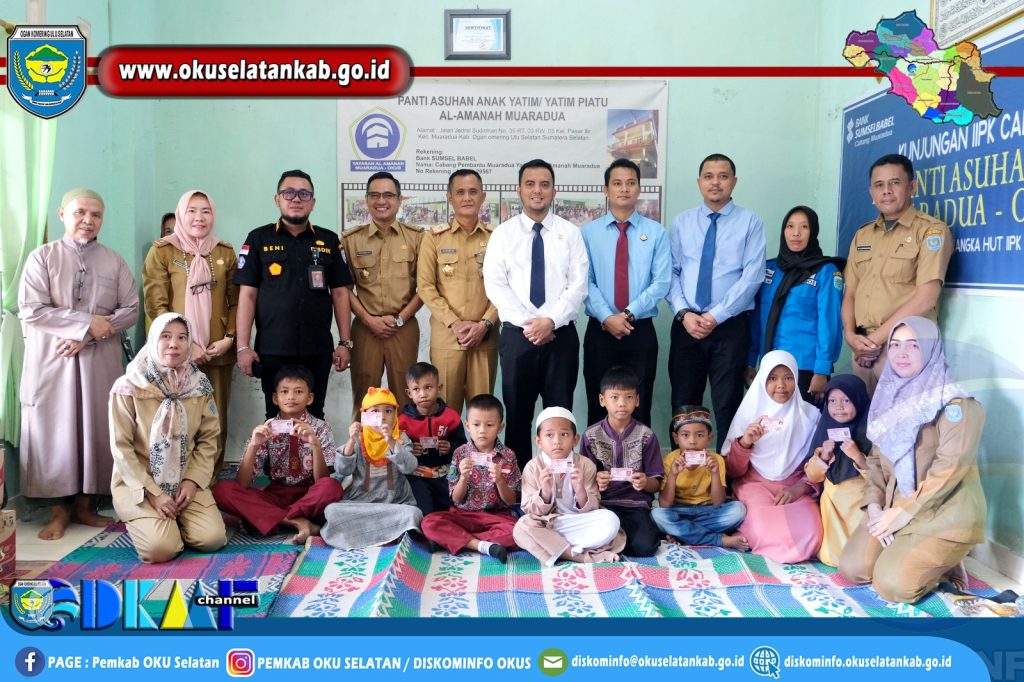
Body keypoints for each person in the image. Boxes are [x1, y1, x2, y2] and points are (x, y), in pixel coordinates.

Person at [18, 188, 140, 541]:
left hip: (97, 357)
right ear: (62, 214)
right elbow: (32, 310)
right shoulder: (42, 258)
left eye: (96, 214)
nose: (88, 220)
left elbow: (131, 310)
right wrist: (86, 323)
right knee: (55, 430)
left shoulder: (114, 260)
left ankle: (86, 507)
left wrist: (87, 336)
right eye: (80, 212)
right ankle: (57, 512)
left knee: (95, 426)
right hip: (53, 359)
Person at [839, 317, 985, 603]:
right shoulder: (889, 396)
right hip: (895, 506)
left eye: (913, 345)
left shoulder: (957, 405)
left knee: (892, 586)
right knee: (853, 568)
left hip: (941, 512)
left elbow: (949, 470)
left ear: (931, 349)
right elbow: (877, 459)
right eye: (894, 345)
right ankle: (919, 553)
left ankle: (948, 559)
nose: (901, 354)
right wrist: (875, 506)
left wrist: (901, 513)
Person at [483, 159, 588, 470]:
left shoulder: (570, 233)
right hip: (518, 337)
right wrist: (531, 325)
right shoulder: (503, 234)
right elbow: (495, 284)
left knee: (559, 417)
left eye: (544, 184)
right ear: (519, 190)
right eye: (530, 184)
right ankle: (518, 485)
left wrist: (550, 321)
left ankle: (559, 482)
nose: (537, 190)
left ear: (554, 190)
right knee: (518, 414)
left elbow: (578, 284)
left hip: (560, 337)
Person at [234, 169, 353, 419]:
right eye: (289, 193)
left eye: (304, 194)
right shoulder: (258, 239)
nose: (296, 199)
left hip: (317, 348)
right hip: (272, 348)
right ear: (277, 199)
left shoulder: (329, 241)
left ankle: (314, 448)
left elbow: (341, 294)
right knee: (274, 415)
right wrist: (243, 347)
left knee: (315, 414)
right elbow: (247, 295)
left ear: (313, 202)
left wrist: (344, 343)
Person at [109, 313, 227, 563]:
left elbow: (209, 439)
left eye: (182, 338)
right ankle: (156, 523)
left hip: (185, 479)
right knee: (161, 550)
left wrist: (192, 481)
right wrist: (154, 493)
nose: (174, 344)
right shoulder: (128, 386)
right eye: (166, 336)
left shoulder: (199, 385)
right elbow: (121, 449)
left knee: (212, 539)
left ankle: (176, 520)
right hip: (142, 484)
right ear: (153, 340)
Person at [667, 154, 766, 451]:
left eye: (723, 176)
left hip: (729, 326)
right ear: (699, 182)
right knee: (684, 404)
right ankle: (683, 470)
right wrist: (684, 313)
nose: (715, 182)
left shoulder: (750, 222)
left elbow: (752, 276)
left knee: (728, 404)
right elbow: (671, 272)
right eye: (709, 176)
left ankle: (726, 470)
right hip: (687, 325)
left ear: (734, 182)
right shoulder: (682, 222)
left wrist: (716, 316)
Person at [143, 190, 239, 468]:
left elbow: (237, 301)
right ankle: (175, 481)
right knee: (175, 420)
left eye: (206, 211)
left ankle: (209, 482)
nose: (199, 217)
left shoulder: (225, 252)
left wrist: (230, 338)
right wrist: (186, 345)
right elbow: (156, 305)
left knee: (215, 420)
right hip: (175, 354)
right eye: (192, 211)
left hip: (217, 350)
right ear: (180, 214)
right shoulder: (162, 251)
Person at [842, 154, 953, 395]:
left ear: (912, 187)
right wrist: (850, 336)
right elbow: (850, 293)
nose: (886, 191)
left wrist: (874, 341)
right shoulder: (863, 235)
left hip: (905, 348)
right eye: (879, 185)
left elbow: (926, 299)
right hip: (862, 350)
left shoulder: (931, 231)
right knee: (863, 416)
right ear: (871, 192)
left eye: (895, 182)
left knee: (903, 417)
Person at [581, 159, 670, 427]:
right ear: (605, 190)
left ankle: (639, 455)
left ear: (639, 188)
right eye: (617, 183)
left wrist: (628, 315)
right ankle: (598, 456)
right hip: (600, 330)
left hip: (639, 330)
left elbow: (661, 282)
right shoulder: (588, 233)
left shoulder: (656, 233)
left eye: (631, 183)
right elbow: (584, 281)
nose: (624, 189)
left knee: (639, 403)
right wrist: (608, 317)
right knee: (598, 403)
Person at [213, 365, 342, 544]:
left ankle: (268, 518)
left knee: (332, 487)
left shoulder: (321, 428)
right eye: (284, 391)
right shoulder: (266, 429)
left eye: (298, 391)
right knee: (222, 490)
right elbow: (242, 484)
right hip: (275, 495)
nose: (291, 397)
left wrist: (315, 444)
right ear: (275, 398)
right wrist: (253, 445)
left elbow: (322, 481)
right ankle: (296, 521)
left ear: (310, 398)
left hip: (309, 495)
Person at [723, 350, 822, 564]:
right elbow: (732, 471)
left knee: (813, 531)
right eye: (773, 378)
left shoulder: (811, 417)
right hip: (755, 485)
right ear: (762, 381)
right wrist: (745, 442)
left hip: (795, 486)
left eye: (788, 378)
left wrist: (800, 488)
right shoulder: (748, 414)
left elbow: (820, 462)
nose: (781, 385)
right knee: (762, 529)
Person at [417, 169, 500, 414]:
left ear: (483, 197)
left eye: (473, 192)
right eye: (460, 192)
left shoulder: (497, 237)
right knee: (444, 412)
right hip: (447, 338)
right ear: (450, 198)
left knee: (483, 413)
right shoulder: (434, 238)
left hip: (485, 337)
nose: (467, 198)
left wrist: (484, 324)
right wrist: (454, 323)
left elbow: (506, 287)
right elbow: (426, 286)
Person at [342, 172, 423, 414]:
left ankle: (404, 441)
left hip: (404, 327)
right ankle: (361, 441)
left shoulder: (418, 238)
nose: (381, 201)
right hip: (365, 328)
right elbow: (343, 289)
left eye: (388, 195)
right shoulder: (351, 240)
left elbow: (426, 287)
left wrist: (400, 319)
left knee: (406, 398)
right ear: (366, 200)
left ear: (399, 200)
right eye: (375, 195)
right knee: (365, 400)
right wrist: (368, 320)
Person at [748, 206, 844, 404]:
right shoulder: (769, 269)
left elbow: (830, 324)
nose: (796, 233)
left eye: (804, 227)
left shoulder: (825, 271)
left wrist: (822, 370)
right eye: (790, 226)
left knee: (803, 423)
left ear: (813, 231)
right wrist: (750, 362)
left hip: (805, 368)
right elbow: (757, 320)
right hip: (770, 366)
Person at [513, 407, 625, 566]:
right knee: (522, 527)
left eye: (564, 434)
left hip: (578, 523)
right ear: (538, 441)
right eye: (549, 435)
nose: (557, 441)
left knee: (611, 520)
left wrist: (580, 489)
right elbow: (528, 509)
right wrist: (545, 493)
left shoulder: (585, 465)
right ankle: (579, 556)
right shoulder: (532, 467)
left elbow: (593, 506)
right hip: (549, 524)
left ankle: (554, 547)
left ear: (575, 439)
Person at [420, 394, 521, 563]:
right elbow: (456, 498)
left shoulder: (508, 456)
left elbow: (511, 501)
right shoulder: (460, 453)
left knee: (517, 532)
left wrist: (500, 480)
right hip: (463, 515)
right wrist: (463, 478)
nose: (482, 430)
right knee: (429, 522)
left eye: (490, 425)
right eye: (476, 424)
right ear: (467, 426)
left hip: (496, 517)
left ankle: (453, 540)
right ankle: (483, 545)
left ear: (500, 427)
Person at [320, 387, 423, 549]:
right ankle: (390, 533)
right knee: (332, 511)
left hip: (395, 503)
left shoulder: (400, 438)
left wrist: (390, 441)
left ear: (395, 414)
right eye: (375, 411)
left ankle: (367, 532)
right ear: (364, 415)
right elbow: (342, 470)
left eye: (388, 411)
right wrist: (351, 441)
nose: (382, 416)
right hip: (360, 503)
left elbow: (410, 467)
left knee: (413, 514)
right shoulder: (358, 439)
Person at [579, 366, 664, 556]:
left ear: (637, 400)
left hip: (636, 504)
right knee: (595, 538)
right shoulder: (591, 436)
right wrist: (596, 481)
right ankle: (618, 539)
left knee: (646, 548)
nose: (622, 404)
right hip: (604, 504)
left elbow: (656, 484)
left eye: (629, 397)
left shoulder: (646, 436)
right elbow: (583, 482)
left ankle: (621, 540)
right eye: (615, 397)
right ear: (602, 400)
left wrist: (645, 482)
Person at [652, 406, 748, 550]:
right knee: (657, 515)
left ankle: (683, 534)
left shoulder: (716, 460)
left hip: (708, 511)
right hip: (680, 511)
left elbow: (718, 502)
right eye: (685, 435)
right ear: (676, 438)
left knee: (738, 510)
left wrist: (714, 473)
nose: (692, 441)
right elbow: (665, 504)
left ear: (709, 438)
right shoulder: (670, 460)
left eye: (700, 435)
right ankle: (719, 540)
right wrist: (673, 474)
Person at [802, 375, 872, 568]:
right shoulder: (825, 429)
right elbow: (813, 476)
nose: (838, 407)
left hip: (860, 503)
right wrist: (824, 456)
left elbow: (881, 478)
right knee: (830, 556)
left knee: (860, 560)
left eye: (846, 400)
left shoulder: (872, 433)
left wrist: (857, 456)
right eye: (832, 401)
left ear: (859, 400)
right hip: (832, 505)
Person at [398, 362, 468, 516]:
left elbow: (463, 446)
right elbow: (397, 453)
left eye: (428, 387)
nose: (423, 394)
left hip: (446, 473)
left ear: (439, 388)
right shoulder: (402, 421)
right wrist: (410, 450)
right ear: (409, 393)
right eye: (416, 389)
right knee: (425, 512)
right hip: (417, 474)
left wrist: (450, 447)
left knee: (454, 510)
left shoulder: (451, 417)